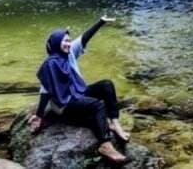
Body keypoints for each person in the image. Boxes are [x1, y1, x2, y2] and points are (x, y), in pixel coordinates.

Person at [28, 16, 130, 164]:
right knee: (97, 105)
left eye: (69, 41)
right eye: (65, 41)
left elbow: (85, 37)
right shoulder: (50, 65)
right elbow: (45, 92)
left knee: (106, 85)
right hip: (64, 104)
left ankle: (114, 122)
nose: (68, 43)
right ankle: (105, 145)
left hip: (77, 93)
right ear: (56, 43)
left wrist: (101, 22)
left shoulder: (69, 54)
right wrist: (39, 116)